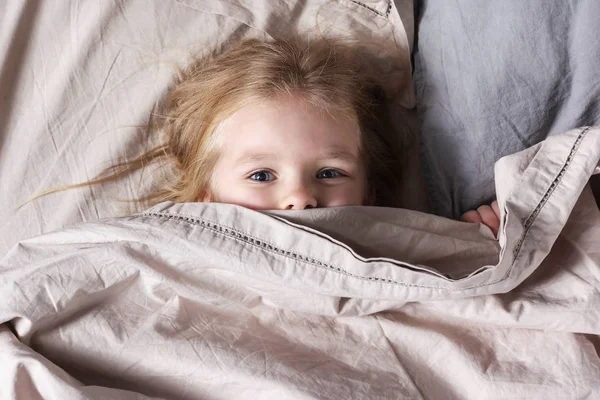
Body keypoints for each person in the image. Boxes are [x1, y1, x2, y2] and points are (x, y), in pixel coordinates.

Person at [27, 37, 501, 235]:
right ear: (207, 198)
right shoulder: (164, 250)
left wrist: (472, 254)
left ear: (370, 193)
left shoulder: (408, 254)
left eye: (331, 172)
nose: (299, 197)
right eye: (260, 174)